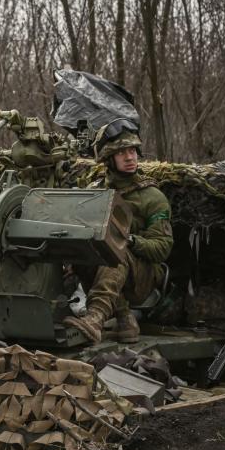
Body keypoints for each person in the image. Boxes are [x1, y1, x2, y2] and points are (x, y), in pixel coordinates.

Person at [63, 119, 174, 344]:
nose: (130, 157)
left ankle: (95, 319)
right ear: (109, 159)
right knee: (83, 252)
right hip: (106, 272)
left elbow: (162, 248)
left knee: (116, 250)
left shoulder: (152, 197)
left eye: (132, 150)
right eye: (122, 152)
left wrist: (131, 241)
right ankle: (125, 319)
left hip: (143, 277)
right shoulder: (95, 193)